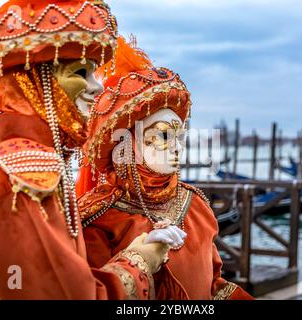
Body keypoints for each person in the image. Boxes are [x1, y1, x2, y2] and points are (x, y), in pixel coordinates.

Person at [0, 0, 181, 300]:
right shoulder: (25, 180)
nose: (97, 88)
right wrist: (138, 262)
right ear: (33, 84)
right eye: (81, 73)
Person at [77, 37, 254, 300]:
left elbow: (213, 286)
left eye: (179, 137)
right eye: (162, 136)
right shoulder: (99, 219)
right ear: (127, 146)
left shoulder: (195, 205)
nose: (176, 148)